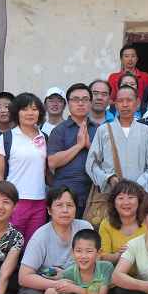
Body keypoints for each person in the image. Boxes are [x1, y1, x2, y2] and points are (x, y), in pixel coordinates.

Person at [17, 187, 93, 294]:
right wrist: (54, 285)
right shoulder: (41, 236)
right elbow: (24, 277)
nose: (65, 210)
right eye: (59, 205)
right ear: (49, 210)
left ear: (76, 209)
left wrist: (68, 278)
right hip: (46, 284)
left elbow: (96, 264)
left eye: (70, 205)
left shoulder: (85, 228)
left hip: (78, 282)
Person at [0, 92, 48, 245]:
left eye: (34, 109)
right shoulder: (7, 137)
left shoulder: (44, 137)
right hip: (14, 200)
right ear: (16, 112)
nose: (30, 113)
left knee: (33, 245)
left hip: (39, 200)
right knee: (10, 244)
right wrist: (1, 201)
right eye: (25, 109)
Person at [86, 85, 148, 193]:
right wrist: (108, 178)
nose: (125, 105)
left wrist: (139, 184)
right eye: (120, 101)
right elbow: (91, 163)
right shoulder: (103, 130)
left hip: (140, 193)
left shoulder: (147, 132)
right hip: (112, 193)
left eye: (129, 100)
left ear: (137, 103)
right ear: (116, 104)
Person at [47, 83, 98, 218]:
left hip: (93, 194)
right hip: (65, 194)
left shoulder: (100, 130)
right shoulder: (59, 130)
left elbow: (107, 161)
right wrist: (79, 146)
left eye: (85, 99)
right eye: (75, 99)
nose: (80, 103)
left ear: (90, 103)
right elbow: (52, 162)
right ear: (68, 104)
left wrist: (89, 146)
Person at [98, 179, 147, 265]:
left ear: (139, 201)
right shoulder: (106, 224)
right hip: (116, 271)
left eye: (131, 197)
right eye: (120, 198)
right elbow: (102, 257)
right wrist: (118, 255)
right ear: (114, 203)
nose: (126, 202)